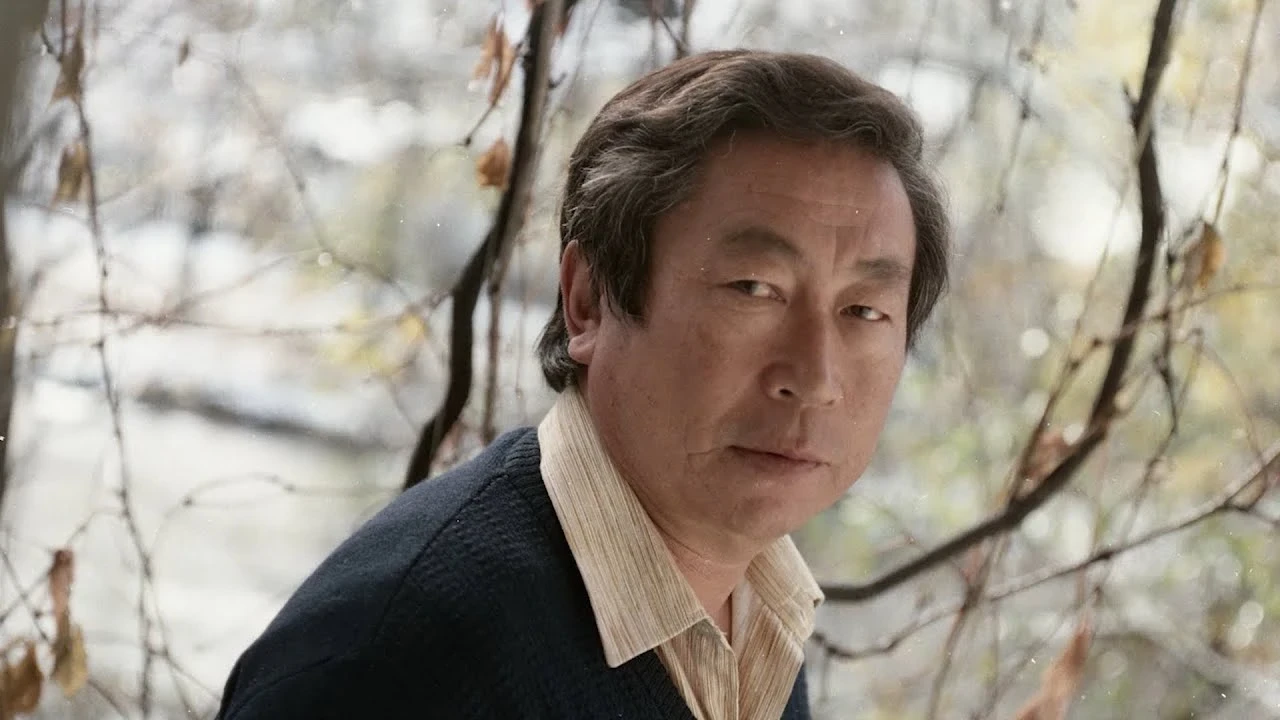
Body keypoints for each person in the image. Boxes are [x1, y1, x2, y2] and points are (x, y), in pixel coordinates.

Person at [216, 48, 950, 720]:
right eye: (754, 288)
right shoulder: (398, 664)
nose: (815, 377)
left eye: (865, 311)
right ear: (589, 300)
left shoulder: (757, 609)